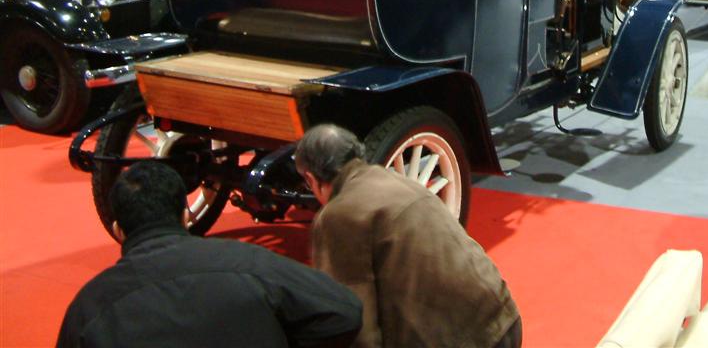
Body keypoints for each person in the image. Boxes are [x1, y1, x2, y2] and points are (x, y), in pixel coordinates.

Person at [57, 161, 362, 348]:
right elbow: (344, 311)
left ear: (118, 230)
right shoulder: (248, 263)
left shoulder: (90, 307)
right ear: (185, 216)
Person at [296, 124, 522, 348]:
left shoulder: (338, 215)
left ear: (311, 178)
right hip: (503, 318)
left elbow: (353, 319)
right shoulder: (397, 180)